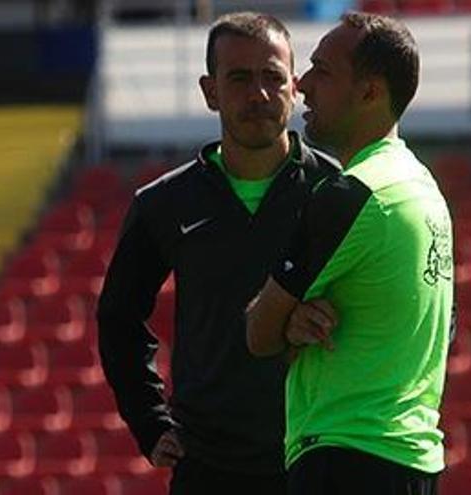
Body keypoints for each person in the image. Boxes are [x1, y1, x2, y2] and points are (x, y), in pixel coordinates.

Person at [96, 12, 340, 494]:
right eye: (240, 78)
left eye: (273, 77)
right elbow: (118, 318)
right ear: (210, 91)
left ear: (294, 87)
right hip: (208, 467)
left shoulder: (338, 190)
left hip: (318, 459)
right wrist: (149, 419)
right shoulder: (163, 203)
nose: (259, 94)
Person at [246, 12, 452, 494]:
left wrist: (285, 322)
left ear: (370, 92)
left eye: (323, 70)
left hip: (345, 458)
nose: (302, 84)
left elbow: (258, 332)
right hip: (412, 460)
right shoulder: (425, 192)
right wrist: (292, 322)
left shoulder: (351, 194)